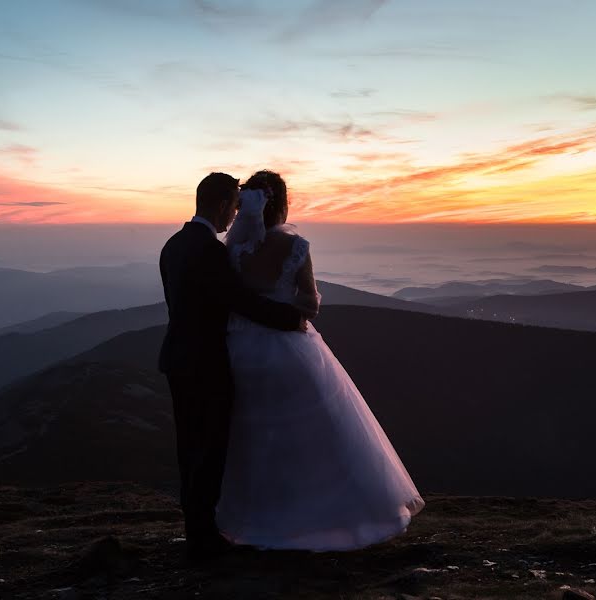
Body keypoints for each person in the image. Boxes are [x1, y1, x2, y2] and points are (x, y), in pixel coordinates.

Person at [215, 170, 424, 550]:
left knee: (252, 439)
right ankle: (316, 517)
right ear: (281, 204)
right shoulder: (296, 247)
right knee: (306, 439)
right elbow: (309, 304)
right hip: (287, 351)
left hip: (240, 351)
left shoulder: (235, 250)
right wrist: (284, 307)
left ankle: (259, 518)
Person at [158, 172, 304, 561]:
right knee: (209, 450)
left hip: (176, 358)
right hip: (206, 363)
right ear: (223, 205)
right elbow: (239, 299)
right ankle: (204, 539)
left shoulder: (173, 244)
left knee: (189, 448)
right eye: (233, 208)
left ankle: (197, 531)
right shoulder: (209, 250)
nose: (235, 217)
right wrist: (291, 319)